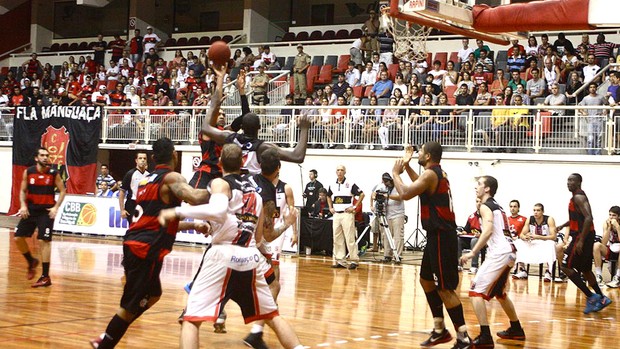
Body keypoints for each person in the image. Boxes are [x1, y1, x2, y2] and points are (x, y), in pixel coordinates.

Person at [156, 144, 303, 349]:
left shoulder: (220, 183)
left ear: (219, 163)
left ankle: (218, 311)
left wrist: (178, 212)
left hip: (222, 254)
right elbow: (260, 238)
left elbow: (217, 211)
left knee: (191, 319)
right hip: (250, 256)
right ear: (243, 162)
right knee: (273, 316)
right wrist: (287, 224)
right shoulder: (256, 194)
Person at [89, 138, 211, 348]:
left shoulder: (147, 180)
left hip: (136, 242)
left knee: (154, 294)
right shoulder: (171, 177)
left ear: (153, 158)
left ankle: (116, 328)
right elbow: (195, 197)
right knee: (129, 306)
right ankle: (106, 340)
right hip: (145, 249)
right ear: (174, 155)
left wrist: (193, 226)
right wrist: (224, 188)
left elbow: (158, 220)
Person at [392, 143, 471, 348]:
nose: (417, 153)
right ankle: (439, 330)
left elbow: (406, 193)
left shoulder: (430, 175)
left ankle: (463, 336)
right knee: (426, 280)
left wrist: (395, 173)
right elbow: (419, 183)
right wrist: (408, 166)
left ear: (427, 156)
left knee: (444, 289)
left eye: (420, 152)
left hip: (441, 236)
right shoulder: (434, 173)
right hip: (435, 235)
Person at [201, 63, 311, 175]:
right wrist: (305, 128)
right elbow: (297, 156)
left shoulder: (229, 136)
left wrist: (215, 102)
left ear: (242, 127)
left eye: (223, 114)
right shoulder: (263, 147)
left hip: (229, 182)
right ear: (259, 127)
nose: (221, 116)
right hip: (248, 187)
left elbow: (205, 127)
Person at [460, 176, 525, 348]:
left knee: (475, 292)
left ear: (487, 189)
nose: (476, 187)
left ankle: (485, 336)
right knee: (500, 294)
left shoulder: (485, 206)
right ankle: (517, 329)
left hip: (500, 253)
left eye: (479, 185)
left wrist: (473, 252)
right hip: (510, 252)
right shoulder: (498, 206)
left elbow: (488, 231)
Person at [556, 173, 612, 314]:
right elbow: (579, 218)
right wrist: (563, 225)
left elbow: (588, 218)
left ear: (579, 182)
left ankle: (591, 297)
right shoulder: (576, 197)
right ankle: (602, 298)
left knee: (565, 266)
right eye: (567, 180)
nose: (568, 183)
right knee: (586, 269)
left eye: (572, 180)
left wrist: (580, 240)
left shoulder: (578, 197)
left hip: (581, 236)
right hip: (584, 235)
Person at [14, 147, 66, 287]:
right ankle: (31, 261)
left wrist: (56, 207)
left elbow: (62, 191)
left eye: (47, 155)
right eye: (42, 155)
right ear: (36, 158)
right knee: (18, 238)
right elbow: (22, 191)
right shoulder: (29, 172)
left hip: (46, 211)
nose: (45, 158)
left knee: (44, 241)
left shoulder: (54, 173)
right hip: (31, 210)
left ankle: (45, 276)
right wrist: (23, 206)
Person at [327, 165, 365, 270]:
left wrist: (354, 207)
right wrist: (330, 207)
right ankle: (340, 260)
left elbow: (362, 194)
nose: (339, 172)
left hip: (347, 214)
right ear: (336, 172)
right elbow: (328, 196)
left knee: (350, 238)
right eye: (338, 170)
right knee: (337, 238)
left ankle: (354, 260)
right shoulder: (331, 184)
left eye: (342, 170)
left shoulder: (350, 184)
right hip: (336, 214)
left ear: (345, 172)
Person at [513, 203, 558, 282]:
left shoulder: (549, 219)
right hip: (534, 242)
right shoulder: (530, 219)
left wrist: (538, 236)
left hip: (546, 241)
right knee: (518, 242)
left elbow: (553, 237)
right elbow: (522, 234)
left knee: (550, 244)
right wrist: (525, 237)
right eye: (534, 210)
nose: (535, 212)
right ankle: (522, 269)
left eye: (538, 210)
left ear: (542, 211)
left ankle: (548, 272)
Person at [371, 172, 405, 264]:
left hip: (398, 214)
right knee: (386, 235)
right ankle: (387, 255)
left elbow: (401, 197)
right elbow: (373, 193)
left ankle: (398, 255)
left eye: (387, 181)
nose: (386, 183)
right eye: (384, 181)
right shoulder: (382, 187)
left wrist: (388, 196)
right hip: (386, 214)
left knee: (398, 236)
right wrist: (375, 197)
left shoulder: (398, 186)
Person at [593, 206, 620, 288]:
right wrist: (608, 228)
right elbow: (604, 242)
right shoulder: (606, 223)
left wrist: (618, 227)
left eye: (614, 215)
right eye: (610, 215)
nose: (611, 217)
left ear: (619, 216)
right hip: (611, 248)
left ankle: (617, 277)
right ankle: (599, 276)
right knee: (596, 245)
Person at [118, 152, 149, 224]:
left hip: (144, 204)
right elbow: (122, 192)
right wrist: (122, 210)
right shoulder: (130, 174)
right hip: (132, 204)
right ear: (136, 160)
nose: (143, 160)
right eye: (140, 158)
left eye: (144, 158)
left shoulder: (148, 175)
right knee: (134, 227)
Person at [457, 198, 483, 274]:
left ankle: (474, 266)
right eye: (477, 202)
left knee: (474, 240)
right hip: (470, 239)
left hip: (481, 241)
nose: (478, 203)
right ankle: (459, 264)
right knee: (458, 239)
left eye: (480, 202)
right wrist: (462, 233)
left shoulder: (487, 216)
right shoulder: (471, 216)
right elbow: (466, 230)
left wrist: (480, 235)